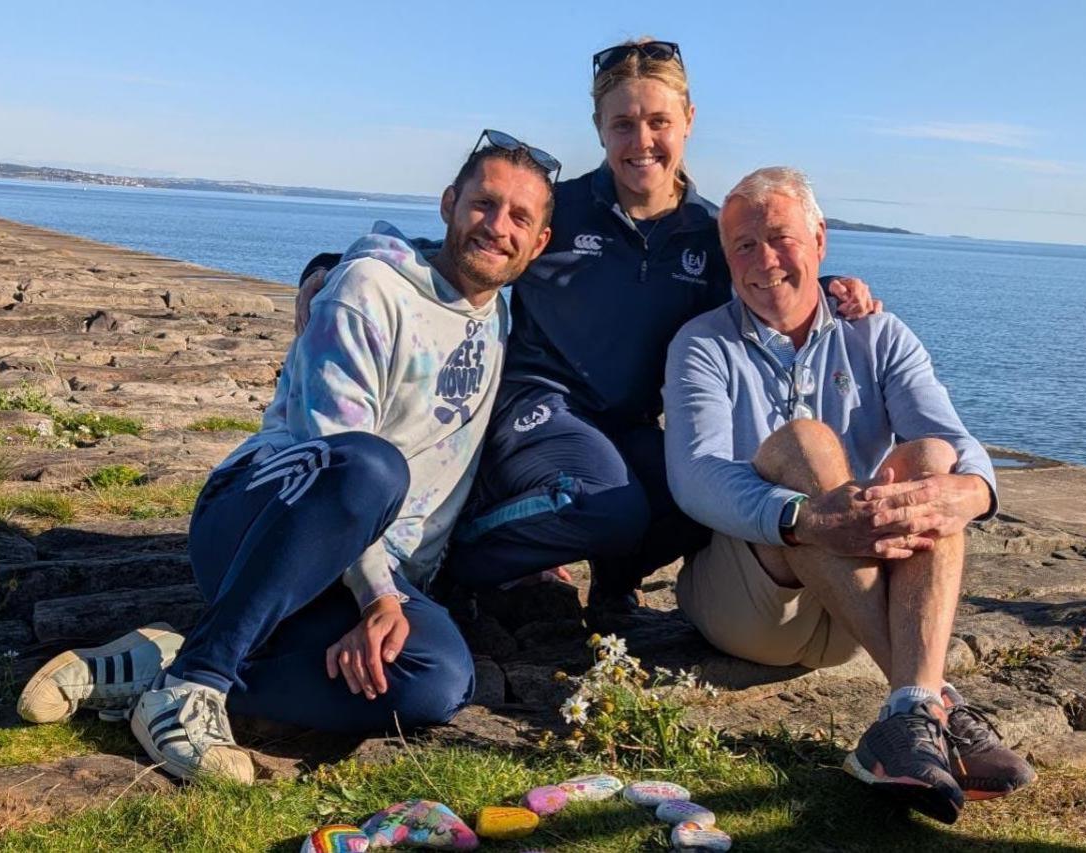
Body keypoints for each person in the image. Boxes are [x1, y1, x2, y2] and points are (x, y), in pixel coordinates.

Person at [16, 130, 558, 782]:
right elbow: (333, 456)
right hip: (263, 517)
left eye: (519, 217)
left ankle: (161, 669)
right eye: (484, 203)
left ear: (539, 244)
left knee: (439, 680)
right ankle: (198, 683)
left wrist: (384, 598)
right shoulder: (370, 290)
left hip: (349, 578)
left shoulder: (500, 314)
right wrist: (377, 594)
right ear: (448, 203)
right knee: (371, 465)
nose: (497, 227)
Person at [296, 40, 880, 620]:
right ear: (599, 126)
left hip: (629, 422)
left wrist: (827, 285)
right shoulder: (561, 208)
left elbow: (765, 272)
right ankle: (460, 562)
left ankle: (612, 587)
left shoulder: (708, 231)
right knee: (610, 506)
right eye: (622, 123)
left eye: (658, 122)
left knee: (702, 497)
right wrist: (329, 265)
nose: (641, 141)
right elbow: (457, 253)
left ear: (689, 121)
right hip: (539, 403)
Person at [663, 166, 1035, 823]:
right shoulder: (704, 345)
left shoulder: (878, 333)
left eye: (780, 237)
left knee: (931, 458)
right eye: (743, 246)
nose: (764, 260)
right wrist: (804, 516)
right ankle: (933, 699)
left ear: (820, 239)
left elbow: (954, 438)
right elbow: (694, 474)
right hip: (756, 602)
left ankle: (908, 717)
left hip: (855, 610)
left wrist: (971, 491)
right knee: (804, 445)